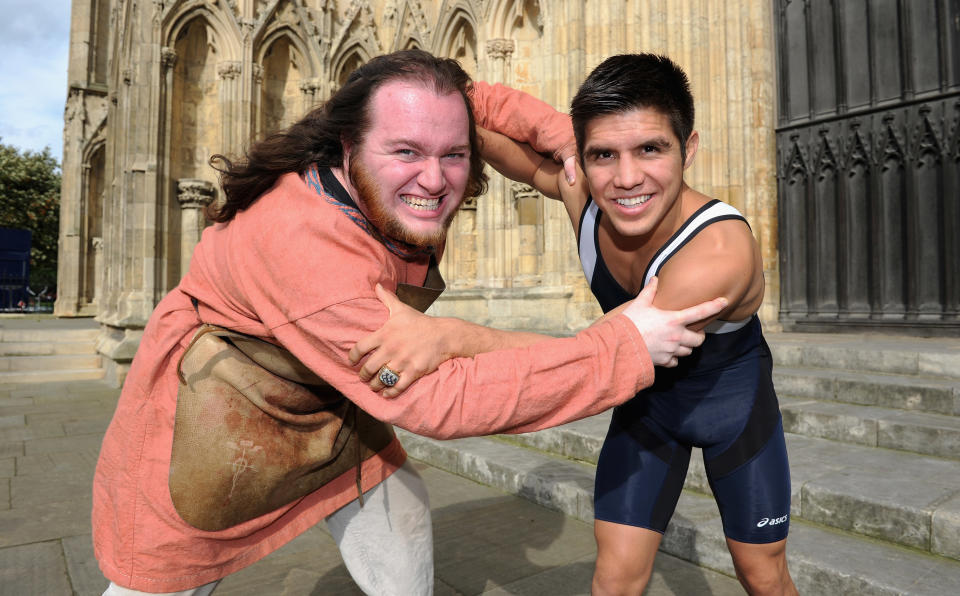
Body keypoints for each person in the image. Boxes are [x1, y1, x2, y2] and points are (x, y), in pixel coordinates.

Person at [92, 49, 727, 595]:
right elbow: (436, 399)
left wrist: (561, 135)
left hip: (333, 414)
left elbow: (477, 101)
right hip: (213, 423)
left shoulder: (386, 149)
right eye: (405, 152)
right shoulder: (301, 248)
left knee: (402, 522)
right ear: (349, 145)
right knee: (161, 576)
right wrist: (622, 347)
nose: (435, 178)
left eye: (454, 154)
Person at [354, 54, 798, 595]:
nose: (627, 178)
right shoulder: (585, 196)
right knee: (613, 582)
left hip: (734, 415)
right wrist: (444, 114)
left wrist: (448, 336)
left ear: (691, 148)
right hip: (649, 410)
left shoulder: (719, 254)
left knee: (763, 577)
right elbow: (497, 147)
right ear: (580, 158)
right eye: (603, 154)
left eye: (651, 149)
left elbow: (600, 355)